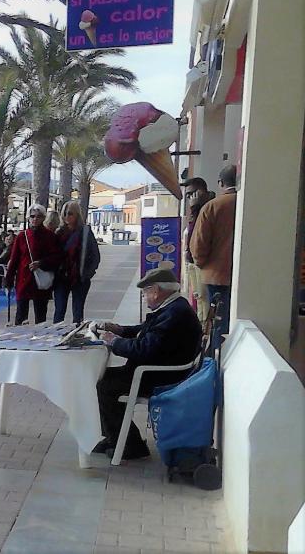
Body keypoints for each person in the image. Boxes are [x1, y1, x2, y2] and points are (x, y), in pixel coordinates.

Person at [95, 268, 202, 460]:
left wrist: (114, 341)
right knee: (102, 378)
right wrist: (119, 330)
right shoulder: (173, 306)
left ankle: (130, 444)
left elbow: (144, 349)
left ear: (156, 291)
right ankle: (115, 437)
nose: (144, 297)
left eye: (145, 292)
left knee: (104, 386)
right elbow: (146, 331)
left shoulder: (175, 313)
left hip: (160, 376)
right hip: (157, 370)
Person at [190, 165, 236, 345]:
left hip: (216, 275)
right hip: (243, 277)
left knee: (217, 321)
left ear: (220, 183)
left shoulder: (212, 207)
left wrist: (200, 263)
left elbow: (199, 243)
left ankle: (216, 358)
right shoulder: (247, 204)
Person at [5, 204, 62, 325]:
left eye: (39, 216)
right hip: (23, 279)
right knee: (20, 315)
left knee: (40, 316)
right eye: (32, 216)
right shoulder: (22, 236)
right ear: (28, 218)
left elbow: (56, 257)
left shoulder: (50, 236)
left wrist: (41, 263)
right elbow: (14, 259)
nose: (35, 219)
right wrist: (8, 279)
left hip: (40, 280)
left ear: (43, 218)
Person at [53, 200, 101, 324]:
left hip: (79, 278)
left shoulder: (85, 232)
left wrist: (88, 273)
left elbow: (95, 256)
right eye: (64, 214)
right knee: (59, 311)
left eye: (70, 214)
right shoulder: (59, 233)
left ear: (77, 215)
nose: (67, 217)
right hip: (61, 277)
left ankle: (76, 335)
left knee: (78, 311)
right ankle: (56, 336)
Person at [184, 188, 212, 322]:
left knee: (203, 298)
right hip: (192, 261)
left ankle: (203, 329)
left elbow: (199, 235)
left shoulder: (204, 211)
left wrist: (195, 208)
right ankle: (200, 327)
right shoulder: (194, 213)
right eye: (188, 195)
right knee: (198, 298)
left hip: (200, 262)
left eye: (192, 194)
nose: (190, 198)